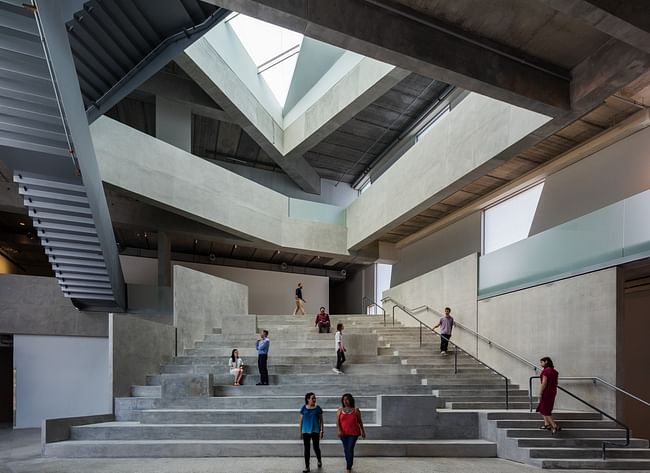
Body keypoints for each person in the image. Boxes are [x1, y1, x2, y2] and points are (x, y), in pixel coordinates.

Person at [336, 393, 365, 473]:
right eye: (344, 400)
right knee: (346, 449)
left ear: (350, 400)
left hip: (354, 433)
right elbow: (337, 422)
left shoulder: (356, 410)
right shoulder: (339, 410)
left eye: (347, 399)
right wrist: (339, 430)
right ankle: (349, 463)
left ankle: (348, 467)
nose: (345, 401)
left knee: (350, 449)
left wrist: (363, 431)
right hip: (343, 433)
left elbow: (360, 421)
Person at [299, 392, 324, 473]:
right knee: (307, 449)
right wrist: (300, 432)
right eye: (312, 398)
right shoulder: (303, 408)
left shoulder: (318, 408)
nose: (314, 399)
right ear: (308, 399)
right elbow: (301, 421)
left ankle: (319, 460)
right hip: (305, 431)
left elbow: (321, 420)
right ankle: (307, 466)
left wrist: (322, 430)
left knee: (316, 447)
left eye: (315, 398)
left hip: (315, 431)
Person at [536, 356, 561, 434]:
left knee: (545, 409)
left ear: (546, 361)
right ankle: (547, 424)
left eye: (541, 362)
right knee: (543, 407)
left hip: (546, 391)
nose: (540, 364)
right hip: (553, 391)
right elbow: (556, 383)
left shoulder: (545, 371)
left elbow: (544, 383)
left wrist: (540, 393)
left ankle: (555, 426)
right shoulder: (555, 371)